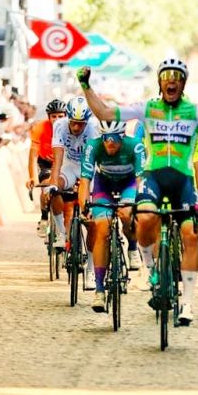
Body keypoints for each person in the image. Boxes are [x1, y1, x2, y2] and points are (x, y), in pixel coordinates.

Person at [76, 59, 198, 325]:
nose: (171, 80)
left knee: (191, 234)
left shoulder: (195, 110)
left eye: (177, 76)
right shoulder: (148, 108)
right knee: (144, 220)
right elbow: (106, 114)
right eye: (167, 76)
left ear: (183, 82)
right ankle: (151, 272)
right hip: (154, 178)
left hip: (182, 180)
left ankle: (187, 302)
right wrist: (85, 87)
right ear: (160, 82)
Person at [79, 120, 145, 312]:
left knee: (126, 213)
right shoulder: (93, 146)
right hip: (104, 185)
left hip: (128, 184)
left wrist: (140, 204)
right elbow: (85, 180)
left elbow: (141, 180)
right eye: (106, 139)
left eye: (114, 139)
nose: (110, 143)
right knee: (101, 228)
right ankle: (99, 290)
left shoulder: (135, 146)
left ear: (122, 137)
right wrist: (85, 206)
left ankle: (133, 247)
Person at [46, 96, 99, 287]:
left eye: (80, 124)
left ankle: (91, 271)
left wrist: (86, 186)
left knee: (92, 222)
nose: (76, 128)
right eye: (74, 123)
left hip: (88, 167)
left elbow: (94, 159)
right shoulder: (59, 125)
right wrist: (53, 183)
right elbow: (58, 158)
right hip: (69, 165)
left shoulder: (93, 127)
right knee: (53, 190)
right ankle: (62, 234)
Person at [27, 99, 67, 238]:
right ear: (48, 117)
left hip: (64, 163)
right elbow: (33, 156)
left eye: (60, 116)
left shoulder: (70, 127)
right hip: (46, 163)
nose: (57, 119)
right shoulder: (40, 127)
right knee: (46, 185)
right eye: (53, 116)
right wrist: (33, 177)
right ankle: (44, 217)